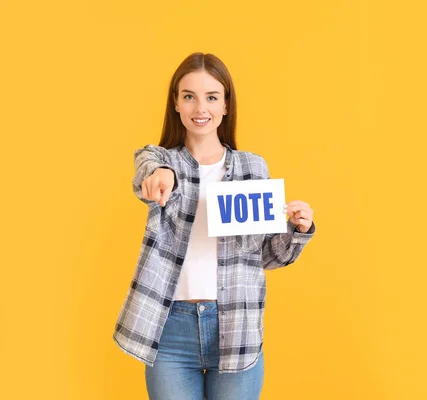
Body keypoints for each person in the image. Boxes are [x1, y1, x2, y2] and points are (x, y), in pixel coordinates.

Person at [112, 52, 316, 400]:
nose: (199, 108)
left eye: (211, 97)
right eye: (188, 96)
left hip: (236, 325)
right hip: (171, 329)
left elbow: (263, 255)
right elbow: (145, 164)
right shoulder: (163, 161)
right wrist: (160, 175)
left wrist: (297, 230)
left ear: (225, 105)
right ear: (175, 103)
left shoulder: (252, 168)